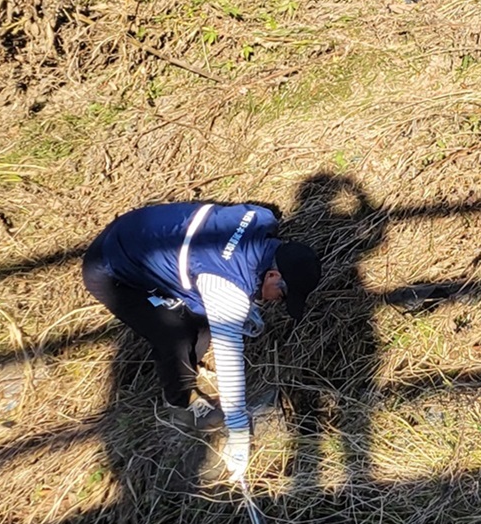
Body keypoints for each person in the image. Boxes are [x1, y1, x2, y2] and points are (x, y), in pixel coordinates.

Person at [81, 201, 323, 483]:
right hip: (110, 267)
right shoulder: (225, 287)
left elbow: (231, 257)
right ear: (272, 274)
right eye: (279, 296)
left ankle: (187, 365)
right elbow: (229, 355)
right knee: (174, 333)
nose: (275, 303)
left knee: (202, 323)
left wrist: (243, 303)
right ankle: (180, 402)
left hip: (141, 233)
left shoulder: (262, 220)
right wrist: (238, 432)